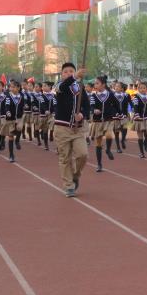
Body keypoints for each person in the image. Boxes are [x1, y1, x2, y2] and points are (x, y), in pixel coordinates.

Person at [53, 63, 90, 197]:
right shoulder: (59, 86)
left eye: (71, 71)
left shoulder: (80, 87)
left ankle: (76, 175)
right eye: (66, 72)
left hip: (77, 129)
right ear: (61, 74)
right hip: (62, 128)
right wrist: (74, 76)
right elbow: (64, 86)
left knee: (83, 154)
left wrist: (82, 114)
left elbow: (86, 105)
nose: (68, 73)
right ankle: (69, 186)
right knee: (65, 158)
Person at [89, 75, 120, 172]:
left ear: (103, 85)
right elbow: (91, 106)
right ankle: (99, 164)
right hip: (97, 121)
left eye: (97, 83)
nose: (95, 85)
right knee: (98, 143)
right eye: (95, 83)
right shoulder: (93, 96)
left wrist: (118, 113)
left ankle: (108, 149)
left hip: (108, 120)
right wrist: (94, 110)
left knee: (109, 135)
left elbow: (116, 105)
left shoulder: (110, 94)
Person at [2, 80, 24, 162]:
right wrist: (7, 112)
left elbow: (23, 106)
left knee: (19, 128)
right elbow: (7, 106)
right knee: (10, 136)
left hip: (19, 118)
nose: (12, 88)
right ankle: (11, 155)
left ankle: (17, 140)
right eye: (11, 87)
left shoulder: (22, 96)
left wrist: (25, 108)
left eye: (14, 87)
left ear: (18, 88)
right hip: (10, 119)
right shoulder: (8, 97)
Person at [131, 80, 147, 157]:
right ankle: (141, 152)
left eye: (144, 88)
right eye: (140, 88)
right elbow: (135, 106)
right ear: (138, 89)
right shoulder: (136, 97)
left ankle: (145, 142)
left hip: (146, 117)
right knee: (140, 135)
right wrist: (136, 114)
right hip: (139, 118)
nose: (142, 89)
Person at [112, 81, 131, 153]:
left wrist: (133, 108)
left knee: (124, 128)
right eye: (116, 86)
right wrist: (116, 113)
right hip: (115, 116)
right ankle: (118, 147)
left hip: (124, 115)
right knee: (116, 132)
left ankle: (123, 140)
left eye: (118, 86)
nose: (116, 87)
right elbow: (111, 106)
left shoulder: (126, 95)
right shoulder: (112, 95)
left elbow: (130, 103)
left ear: (122, 88)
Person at [39, 81, 56, 151]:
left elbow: (55, 104)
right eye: (42, 86)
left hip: (51, 115)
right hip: (44, 115)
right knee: (45, 130)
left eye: (45, 86)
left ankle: (51, 133)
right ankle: (46, 144)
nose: (43, 87)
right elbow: (42, 104)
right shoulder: (41, 96)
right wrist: (46, 110)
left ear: (49, 87)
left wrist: (54, 111)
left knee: (53, 122)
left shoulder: (54, 95)